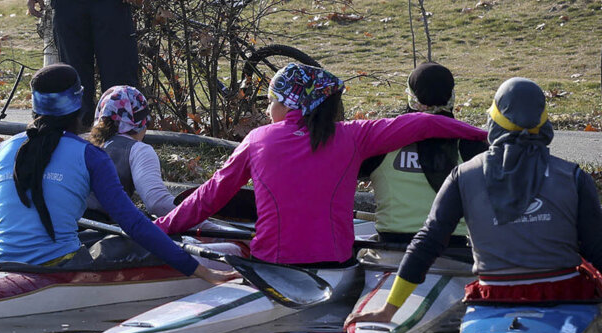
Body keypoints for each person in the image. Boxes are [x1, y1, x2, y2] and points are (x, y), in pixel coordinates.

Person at [346, 77, 602, 327]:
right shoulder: (574, 177)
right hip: (564, 298)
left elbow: (427, 243)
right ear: (543, 122)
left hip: (493, 299)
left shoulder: (463, 176)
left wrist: (389, 309)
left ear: (493, 121)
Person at [0, 64, 233, 283]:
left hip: (0, 264)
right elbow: (134, 224)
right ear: (78, 106)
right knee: (125, 241)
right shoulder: (89, 155)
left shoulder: (2, 149)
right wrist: (199, 271)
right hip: (59, 270)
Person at [153, 63, 488, 266]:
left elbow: (209, 197)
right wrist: (488, 134)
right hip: (337, 266)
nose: (269, 110)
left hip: (271, 265)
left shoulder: (257, 139)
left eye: (272, 102)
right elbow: (428, 124)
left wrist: (160, 228)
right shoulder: (355, 135)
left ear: (289, 104)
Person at [359, 61, 487, 245]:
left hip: (391, 250)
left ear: (410, 96)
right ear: (451, 96)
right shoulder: (472, 143)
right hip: (452, 252)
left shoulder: (381, 138)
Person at [86, 84, 177, 217]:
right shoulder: (138, 150)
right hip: (101, 230)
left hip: (63, 225)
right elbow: (158, 204)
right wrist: (209, 224)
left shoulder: (80, 143)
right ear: (142, 123)